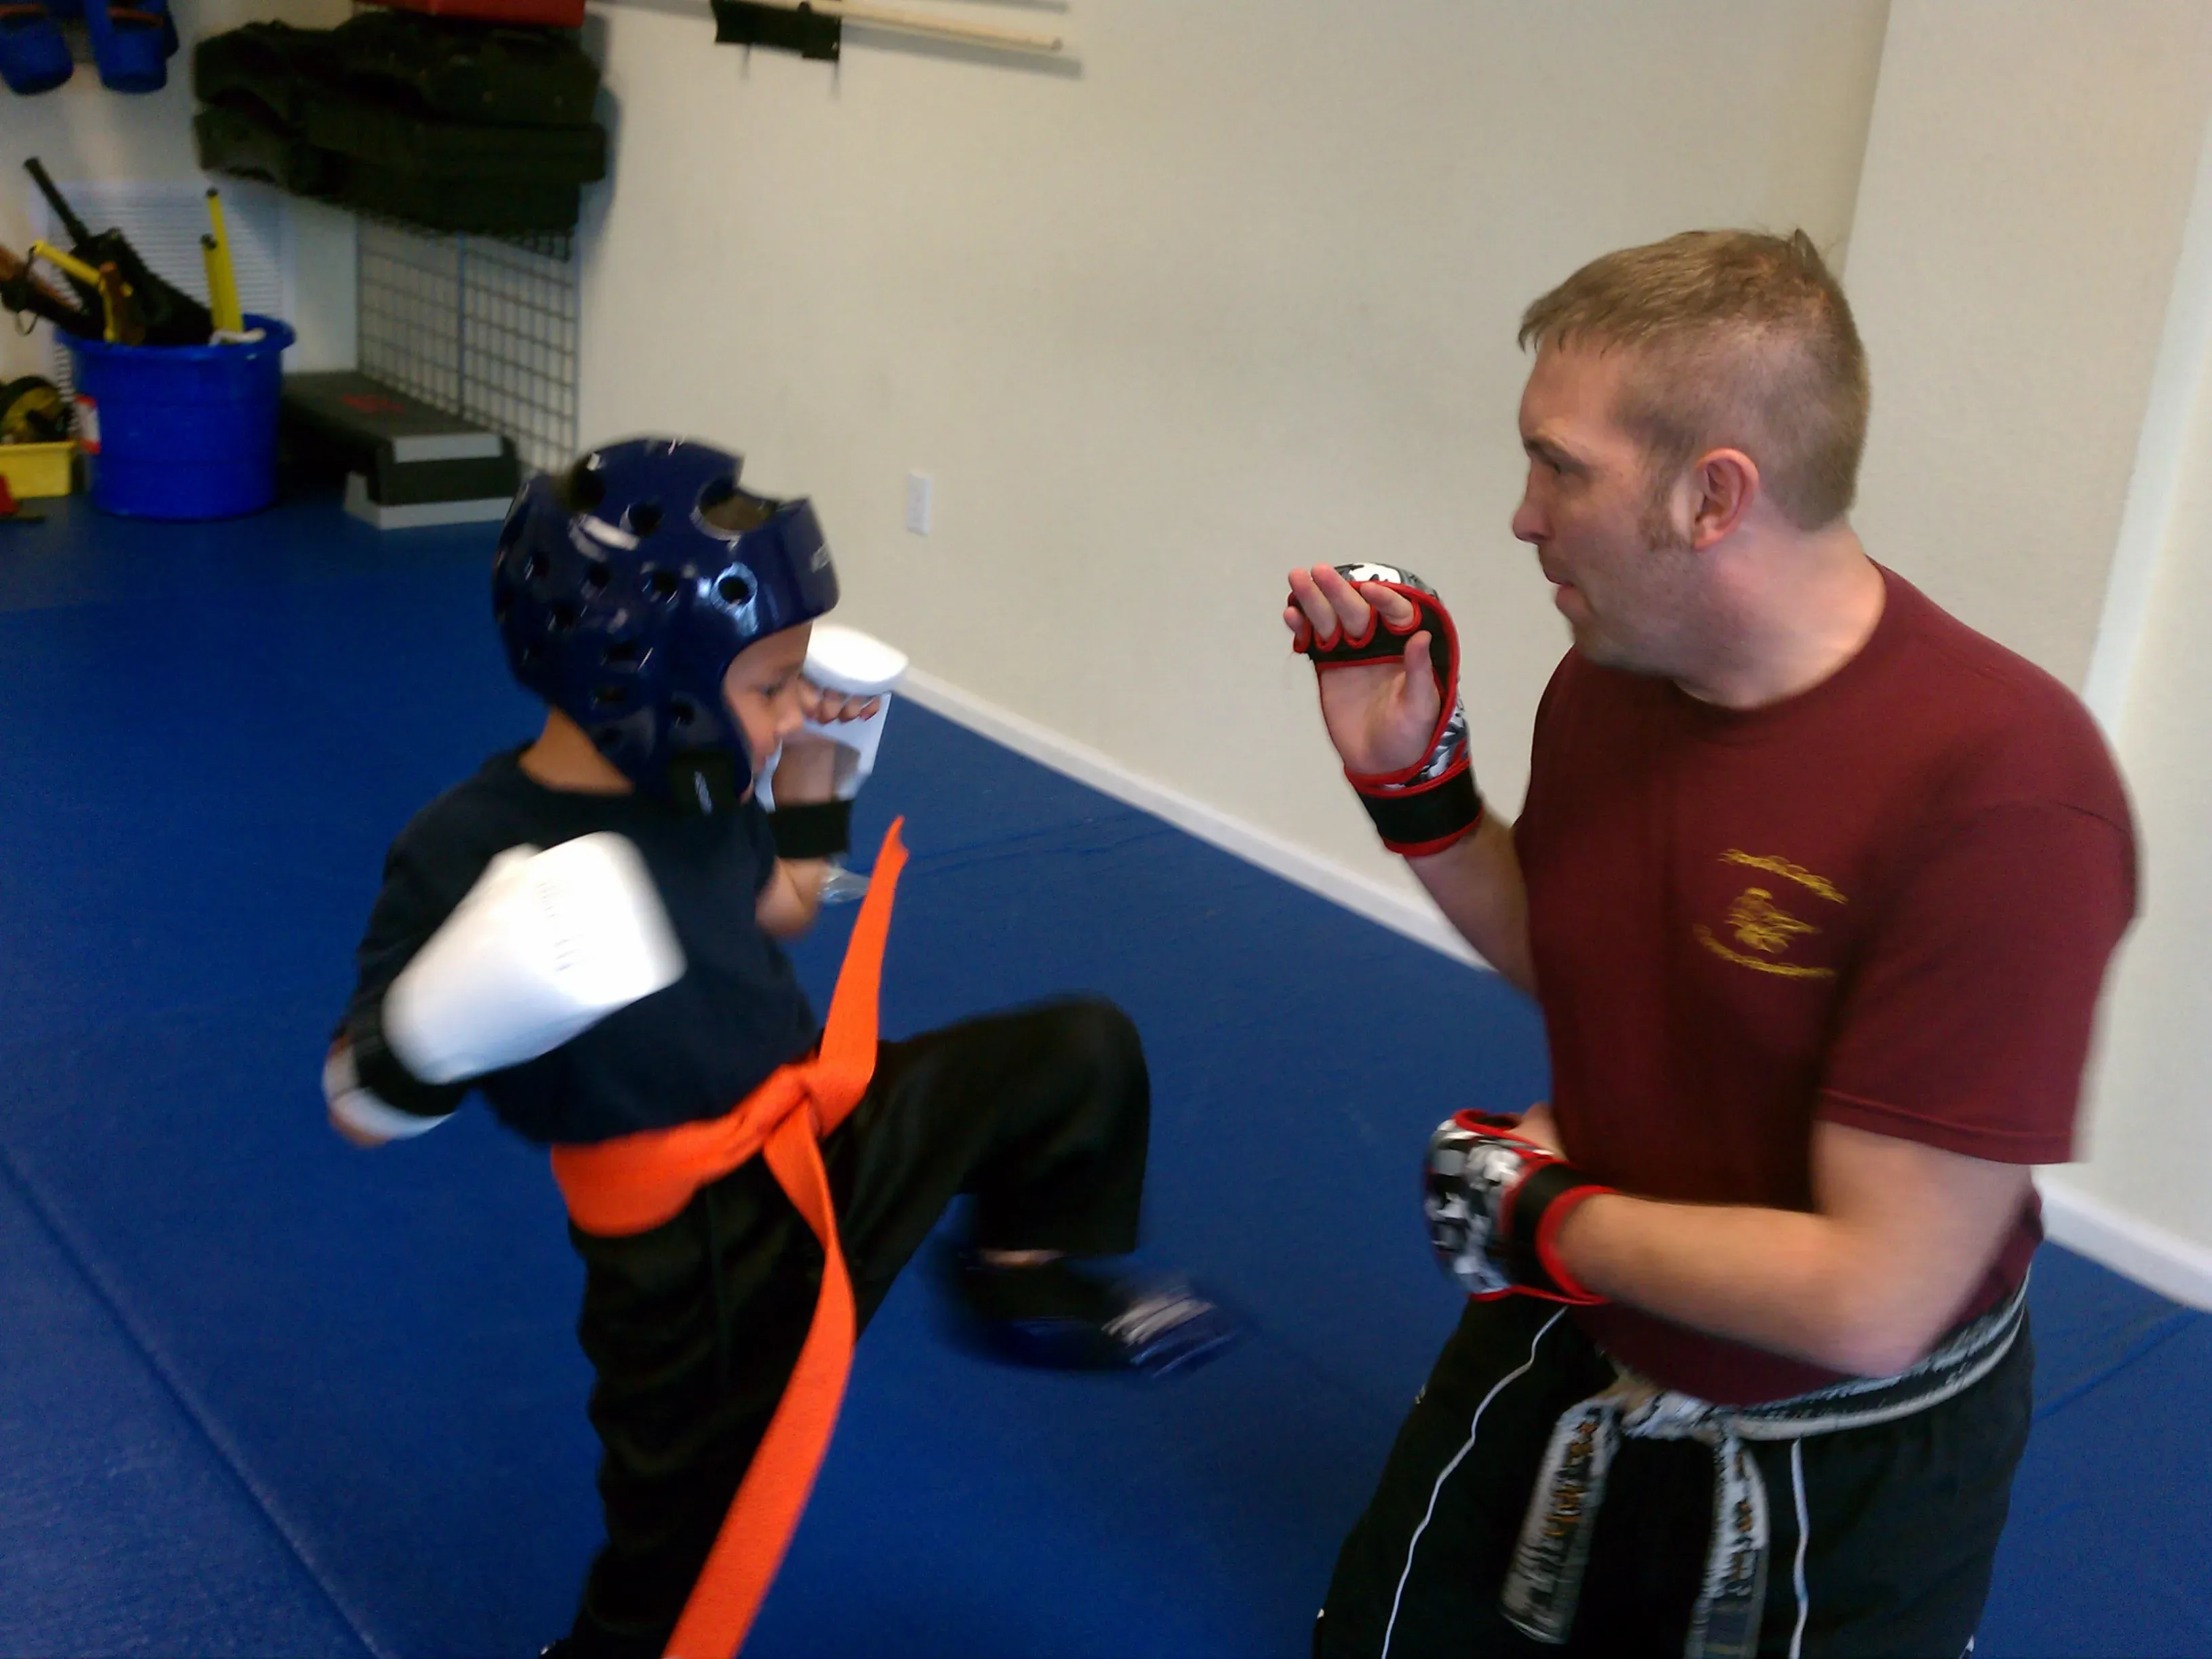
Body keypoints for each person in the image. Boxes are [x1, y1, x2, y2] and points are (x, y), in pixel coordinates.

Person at [1287, 231, 2135, 1658]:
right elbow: (1589, 964)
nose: (1522, 516)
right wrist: (1414, 791)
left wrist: (1538, 1218)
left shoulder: (2002, 793)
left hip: (1840, 1453)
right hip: (1582, 1319)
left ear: (1712, 494)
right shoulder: (1612, 677)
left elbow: (1875, 1296)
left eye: (1561, 466)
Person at [323, 437, 1234, 1659]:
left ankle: (1017, 1277)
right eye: (772, 687)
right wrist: (466, 996)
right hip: (690, 1258)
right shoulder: (470, 841)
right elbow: (357, 1104)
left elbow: (786, 906)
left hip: (823, 1132)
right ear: (639, 683)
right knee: (685, 1560)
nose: (798, 702)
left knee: (1080, 1052)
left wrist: (817, 777)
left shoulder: (696, 794)